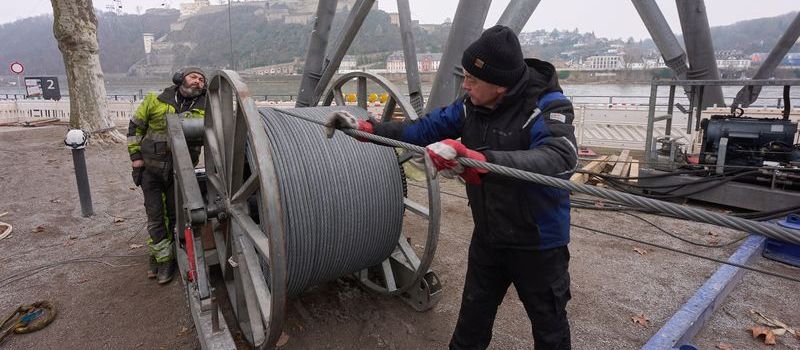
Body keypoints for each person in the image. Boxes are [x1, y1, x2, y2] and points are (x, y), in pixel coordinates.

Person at [325, 25, 577, 349]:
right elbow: (422, 129)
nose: (465, 85)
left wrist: (474, 159)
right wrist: (364, 128)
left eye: (473, 80)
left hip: (539, 245)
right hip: (489, 237)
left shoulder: (547, 105)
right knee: (470, 328)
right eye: (465, 76)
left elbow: (561, 159)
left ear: (501, 86)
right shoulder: (470, 104)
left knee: (550, 332)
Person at [127, 67, 207, 284]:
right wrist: (136, 158)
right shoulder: (155, 99)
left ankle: (169, 256)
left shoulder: (206, 109)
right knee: (155, 216)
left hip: (180, 173)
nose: (197, 81)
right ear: (180, 78)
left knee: (175, 216)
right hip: (150, 170)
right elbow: (135, 128)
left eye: (201, 80)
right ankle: (161, 259)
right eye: (193, 77)